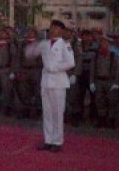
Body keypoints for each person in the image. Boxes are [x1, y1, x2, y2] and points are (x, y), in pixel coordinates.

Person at [25, 20, 75, 152]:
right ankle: (48, 140)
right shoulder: (45, 44)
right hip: (46, 81)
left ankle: (57, 142)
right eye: (52, 27)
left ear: (62, 30)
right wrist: (33, 43)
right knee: (47, 113)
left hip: (58, 81)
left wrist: (55, 68)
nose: (52, 29)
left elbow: (70, 63)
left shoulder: (65, 45)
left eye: (56, 27)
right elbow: (29, 53)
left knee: (57, 113)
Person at [90, 35, 119, 129]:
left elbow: (117, 70)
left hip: (110, 81)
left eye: (106, 43)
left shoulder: (112, 56)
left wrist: (116, 83)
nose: (104, 44)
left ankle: (111, 120)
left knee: (112, 101)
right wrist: (91, 82)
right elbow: (92, 69)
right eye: (102, 42)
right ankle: (101, 120)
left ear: (109, 44)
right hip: (99, 80)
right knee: (99, 101)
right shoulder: (96, 56)